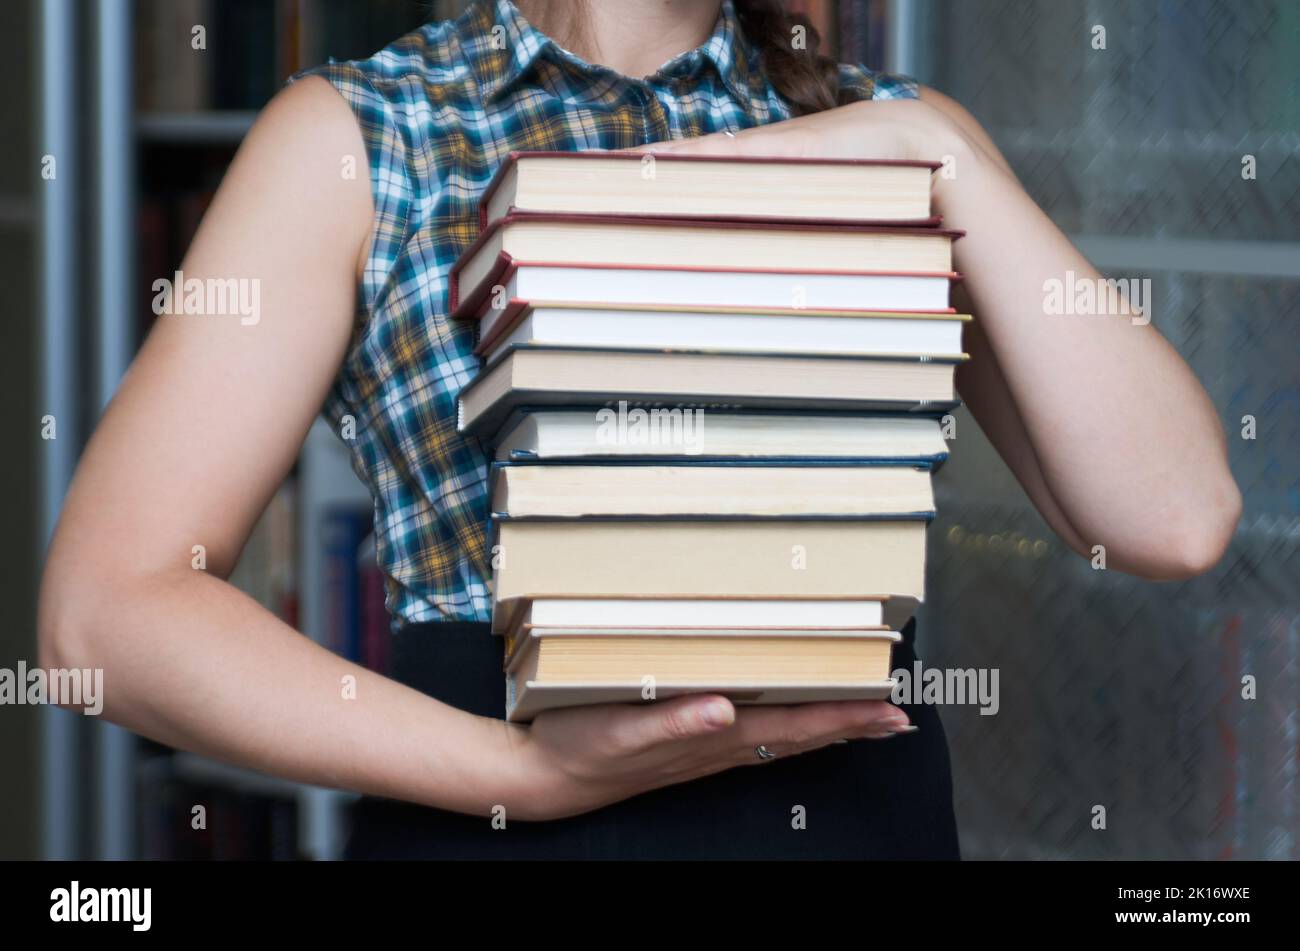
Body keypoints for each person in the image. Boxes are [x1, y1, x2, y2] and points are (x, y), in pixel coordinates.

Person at [38, 0, 1240, 859]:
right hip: (492, 805)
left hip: (847, 812)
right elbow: (106, 616)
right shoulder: (364, 133)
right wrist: (527, 780)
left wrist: (940, 154)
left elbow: (1173, 519)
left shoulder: (890, 129)